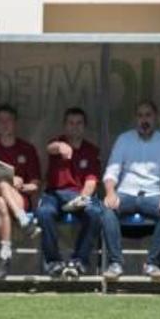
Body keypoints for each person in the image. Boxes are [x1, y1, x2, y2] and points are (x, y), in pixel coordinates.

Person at [101, 100, 160, 281]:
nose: (144, 120)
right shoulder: (124, 139)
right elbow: (111, 172)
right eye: (141, 115)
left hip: (152, 195)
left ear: (155, 117)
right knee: (106, 209)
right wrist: (110, 192)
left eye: (148, 115)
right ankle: (115, 263)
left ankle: (152, 263)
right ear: (136, 119)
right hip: (126, 193)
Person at [34, 107, 103, 279]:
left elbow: (91, 181)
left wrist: (83, 198)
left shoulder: (91, 150)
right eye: (71, 123)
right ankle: (53, 262)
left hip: (79, 195)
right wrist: (61, 145)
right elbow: (50, 148)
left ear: (84, 126)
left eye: (79, 123)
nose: (75, 127)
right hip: (54, 195)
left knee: (95, 213)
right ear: (65, 126)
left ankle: (78, 261)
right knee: (43, 213)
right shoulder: (57, 143)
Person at [0, 103, 42, 280]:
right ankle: (24, 220)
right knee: (1, 185)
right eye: (1, 121)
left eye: (9, 120)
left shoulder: (27, 149)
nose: (5, 124)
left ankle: (5, 255)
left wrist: (21, 185)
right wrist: (1, 177)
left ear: (15, 123)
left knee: (3, 202)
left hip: (18, 198)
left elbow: (35, 184)